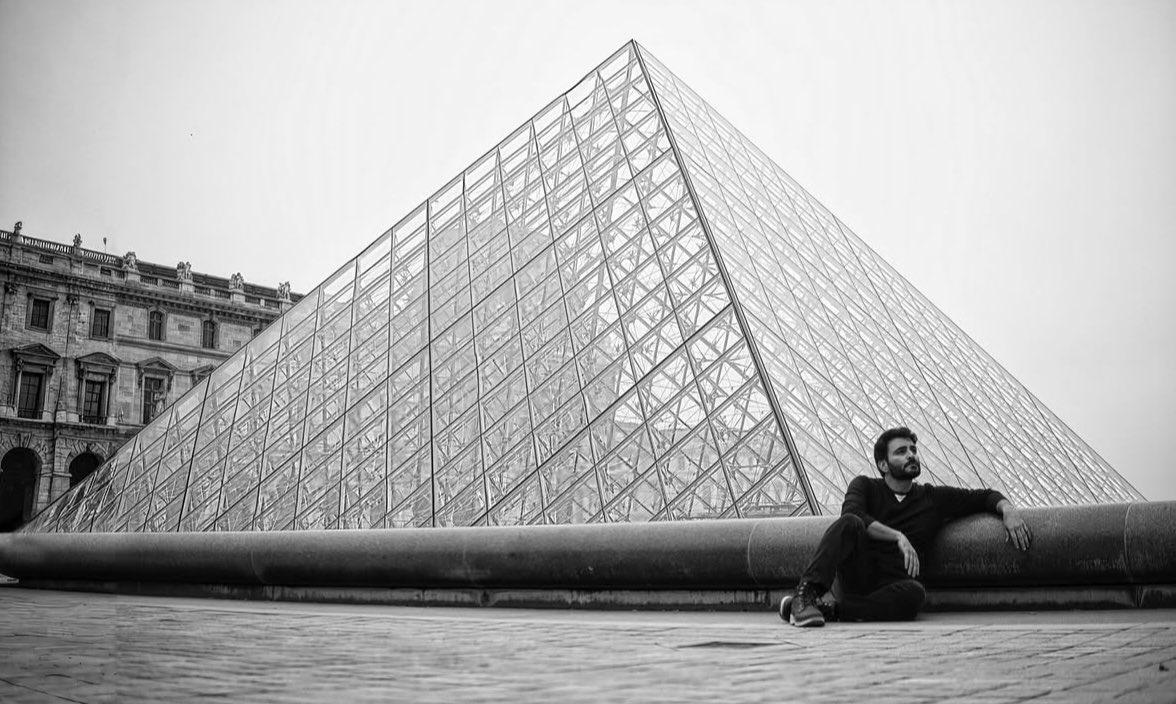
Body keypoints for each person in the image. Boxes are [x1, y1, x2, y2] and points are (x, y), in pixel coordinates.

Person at [780, 427, 1032, 626]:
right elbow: (853, 515)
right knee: (849, 523)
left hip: (893, 585)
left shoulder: (933, 498)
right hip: (859, 571)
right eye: (901, 451)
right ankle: (805, 596)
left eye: (913, 449)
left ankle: (831, 611)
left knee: (915, 594)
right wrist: (897, 535)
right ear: (883, 465)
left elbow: (983, 497)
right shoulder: (864, 486)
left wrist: (1008, 510)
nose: (911, 455)